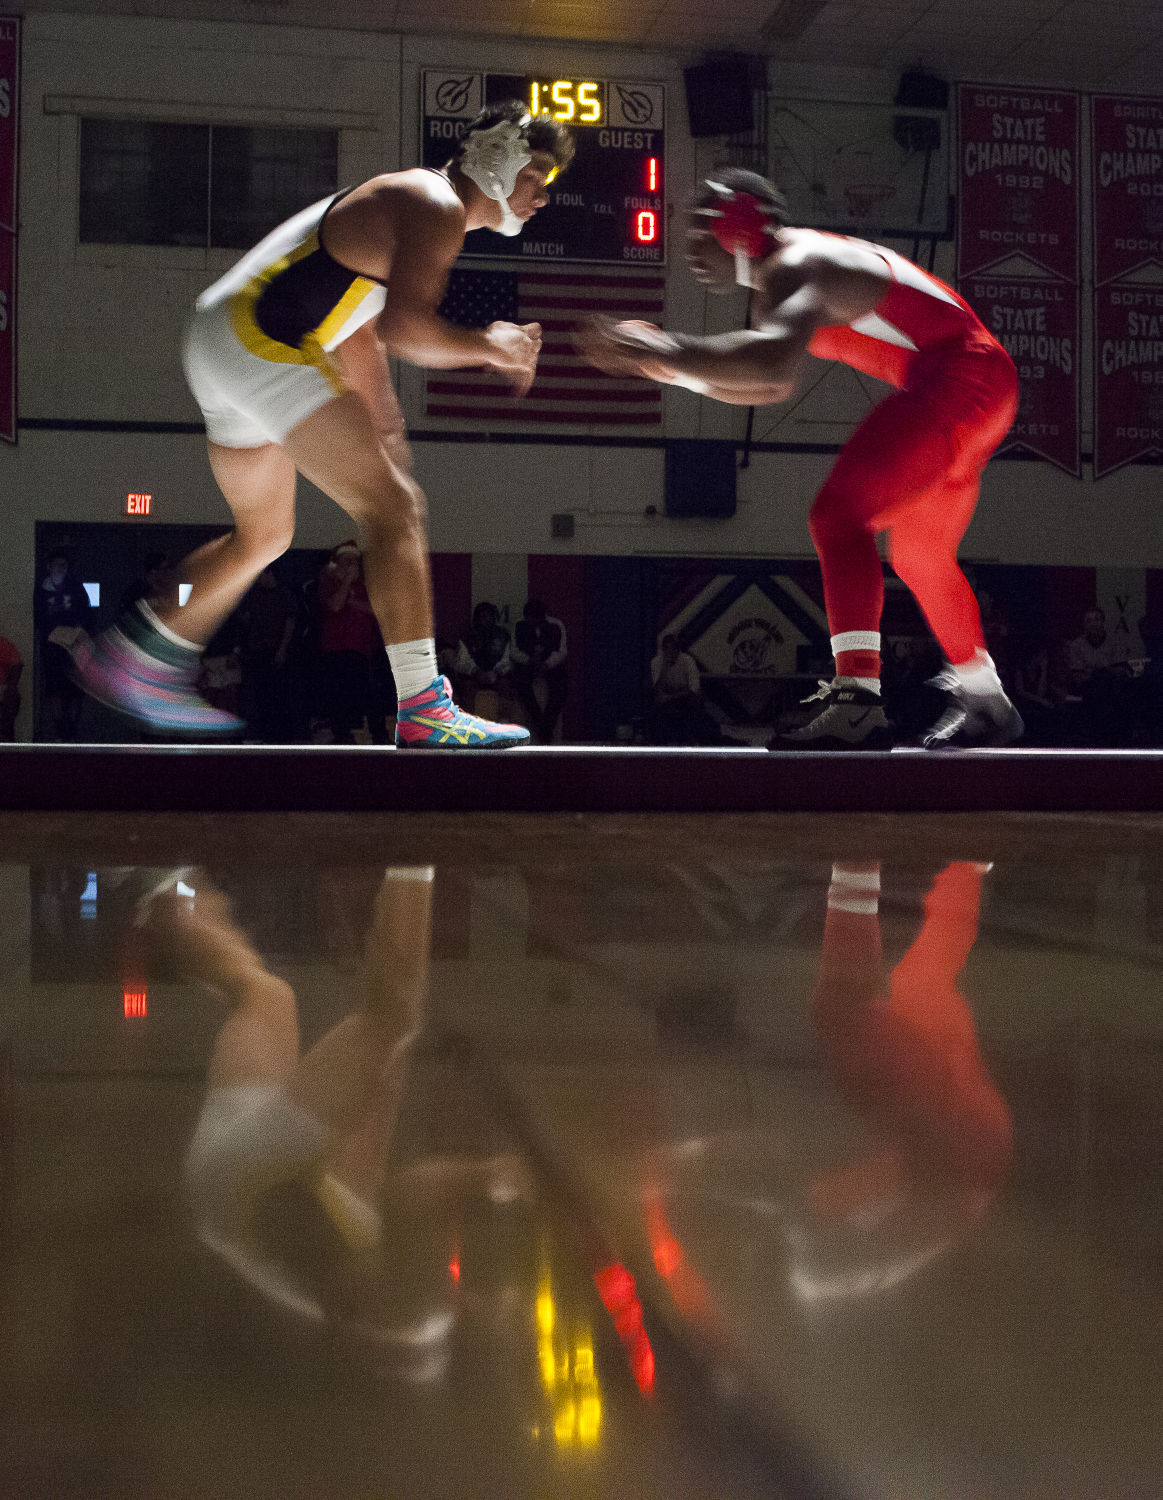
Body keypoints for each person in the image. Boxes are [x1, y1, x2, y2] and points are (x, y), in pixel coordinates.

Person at [73, 101, 574, 747]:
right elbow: (404, 326)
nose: (541, 194)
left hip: (223, 339)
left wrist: (384, 422)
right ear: (496, 156)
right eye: (535, 174)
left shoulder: (410, 200)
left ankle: (131, 656)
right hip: (260, 337)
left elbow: (359, 328)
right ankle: (423, 707)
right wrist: (490, 346)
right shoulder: (436, 203)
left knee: (264, 536)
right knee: (394, 511)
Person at [577, 168, 1024, 750]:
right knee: (920, 556)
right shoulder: (792, 269)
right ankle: (988, 703)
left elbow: (769, 369)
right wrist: (668, 365)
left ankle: (858, 702)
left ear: (741, 221)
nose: (687, 245)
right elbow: (766, 386)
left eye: (698, 226)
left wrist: (668, 350)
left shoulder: (796, 262)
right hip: (979, 384)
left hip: (958, 378)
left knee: (839, 517)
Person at [34, 550, 93, 742]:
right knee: (54, 688)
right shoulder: (41, 590)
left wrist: (79, 630)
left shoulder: (76, 589)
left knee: (75, 688)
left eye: (64, 565)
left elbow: (87, 614)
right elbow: (39, 618)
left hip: (75, 646)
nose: (61, 569)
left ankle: (72, 729)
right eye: (57, 565)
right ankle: (59, 728)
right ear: (49, 567)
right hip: (52, 647)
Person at [510, 599, 567, 744]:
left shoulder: (556, 626)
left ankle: (547, 724)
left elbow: (561, 652)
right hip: (527, 664)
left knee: (561, 684)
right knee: (520, 681)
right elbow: (514, 651)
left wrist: (547, 664)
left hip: (550, 665)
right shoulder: (519, 625)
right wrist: (529, 660)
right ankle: (539, 721)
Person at [0, 633, 22, 740]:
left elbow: (16, 664)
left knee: (12, 697)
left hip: (2, 686)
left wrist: (11, 686)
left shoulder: (3, 643)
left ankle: (5, 737)